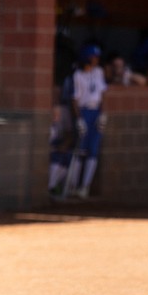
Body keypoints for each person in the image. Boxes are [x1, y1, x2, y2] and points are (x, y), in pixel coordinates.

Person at [66, 44, 107, 199]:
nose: (95, 60)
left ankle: (85, 187)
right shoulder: (78, 75)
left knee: (93, 150)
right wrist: (79, 119)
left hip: (96, 112)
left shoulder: (99, 72)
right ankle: (72, 186)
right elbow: (75, 99)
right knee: (80, 150)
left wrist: (103, 114)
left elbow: (103, 94)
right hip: (84, 112)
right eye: (92, 57)